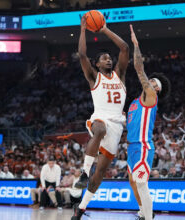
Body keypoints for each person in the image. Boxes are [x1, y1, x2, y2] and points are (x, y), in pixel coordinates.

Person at [72, 13, 129, 220]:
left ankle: (81, 209)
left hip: (117, 125)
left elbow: (124, 48)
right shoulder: (94, 77)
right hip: (100, 118)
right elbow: (81, 55)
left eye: (109, 58)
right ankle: (84, 172)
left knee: (101, 173)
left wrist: (104, 29)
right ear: (97, 64)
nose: (108, 59)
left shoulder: (120, 74)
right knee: (100, 129)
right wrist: (83, 30)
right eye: (104, 58)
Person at [126, 24, 171, 220]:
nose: (150, 82)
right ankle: (143, 211)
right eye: (150, 80)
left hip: (144, 146)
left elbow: (138, 67)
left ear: (157, 89)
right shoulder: (136, 102)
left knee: (141, 183)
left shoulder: (151, 97)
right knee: (133, 182)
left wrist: (136, 45)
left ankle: (148, 215)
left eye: (154, 82)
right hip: (131, 147)